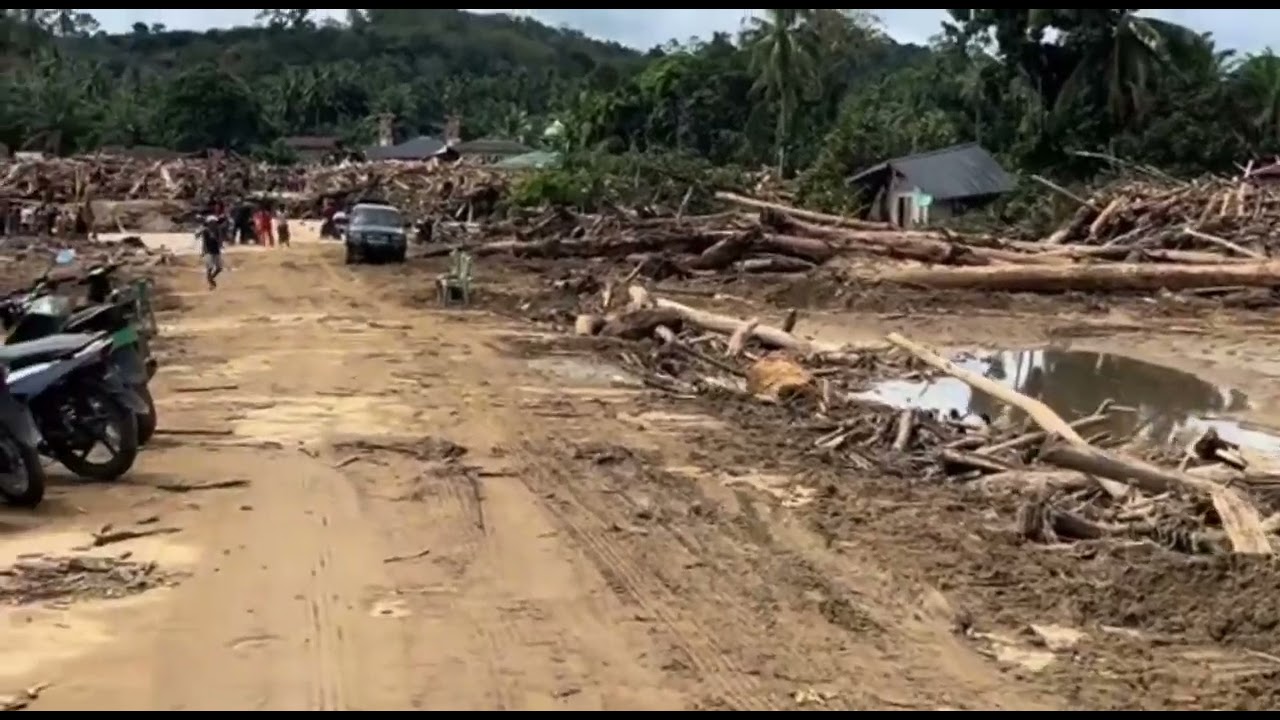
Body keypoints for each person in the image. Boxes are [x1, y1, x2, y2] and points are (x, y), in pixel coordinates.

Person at [200, 215, 224, 290]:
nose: (213, 224)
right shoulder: (205, 231)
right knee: (210, 268)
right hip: (209, 251)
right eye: (212, 222)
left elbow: (220, 241)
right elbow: (204, 242)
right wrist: (203, 251)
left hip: (216, 250)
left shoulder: (217, 230)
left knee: (219, 268)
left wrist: (217, 240)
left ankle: (211, 279)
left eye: (214, 222)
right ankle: (211, 283)